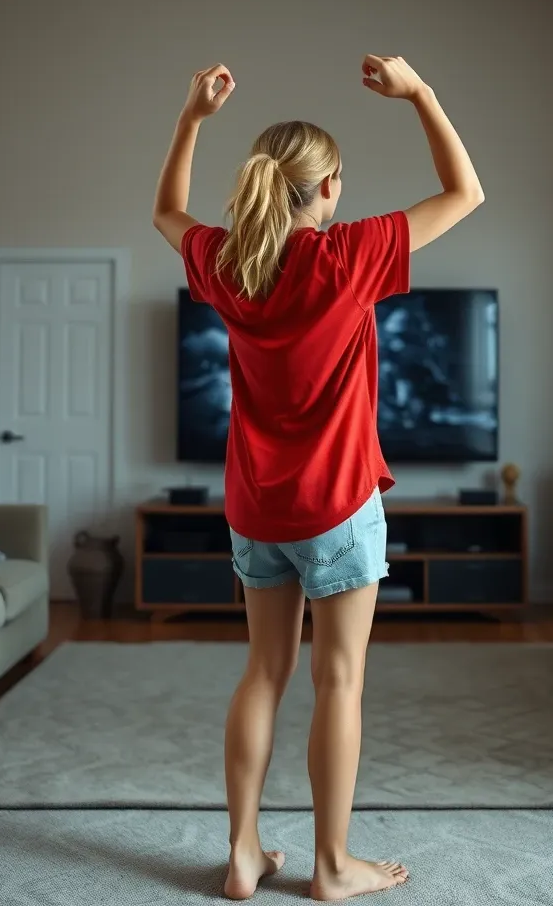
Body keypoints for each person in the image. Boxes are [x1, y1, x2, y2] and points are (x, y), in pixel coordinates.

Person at [153, 55, 483, 901]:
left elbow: (163, 212)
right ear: (329, 185)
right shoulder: (351, 255)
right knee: (339, 680)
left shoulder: (228, 264)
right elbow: (465, 193)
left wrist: (191, 119)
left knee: (264, 670)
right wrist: (421, 94)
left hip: (253, 507)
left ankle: (241, 854)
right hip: (338, 507)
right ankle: (332, 867)